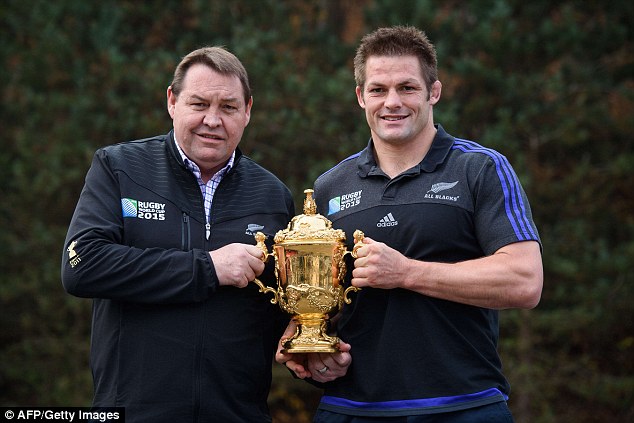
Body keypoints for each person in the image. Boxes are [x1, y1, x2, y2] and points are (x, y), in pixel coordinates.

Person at [277, 26, 543, 422]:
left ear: (433, 92)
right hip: (351, 409)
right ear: (360, 97)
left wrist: (406, 272)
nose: (392, 102)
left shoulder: (479, 168)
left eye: (407, 88)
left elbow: (525, 281)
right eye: (378, 90)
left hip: (462, 405)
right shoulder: (330, 186)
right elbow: (319, 303)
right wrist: (306, 348)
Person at [62, 46, 294, 422]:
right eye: (199, 104)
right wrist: (208, 268)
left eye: (229, 108)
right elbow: (82, 264)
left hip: (238, 415)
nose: (212, 120)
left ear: (248, 111)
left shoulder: (272, 195)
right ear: (172, 101)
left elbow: (284, 301)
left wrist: (305, 341)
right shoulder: (119, 168)